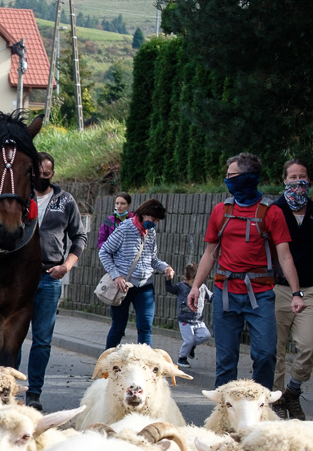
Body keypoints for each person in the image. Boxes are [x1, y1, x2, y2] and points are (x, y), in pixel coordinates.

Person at [188, 153, 304, 389]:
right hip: (225, 292)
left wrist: (296, 292)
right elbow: (210, 252)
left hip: (260, 295)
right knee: (226, 359)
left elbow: (284, 255)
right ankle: (224, 413)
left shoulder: (272, 212)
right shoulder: (220, 210)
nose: (227, 180)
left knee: (265, 355)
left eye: (231, 176)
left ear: (247, 178)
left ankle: (260, 409)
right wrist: (196, 286)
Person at [24, 152, 86, 411]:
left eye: (47, 173)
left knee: (42, 340)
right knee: (11, 336)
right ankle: (7, 387)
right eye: (38, 173)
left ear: (53, 174)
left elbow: (79, 237)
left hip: (50, 277)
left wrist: (66, 266)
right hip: (19, 277)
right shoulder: (20, 196)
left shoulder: (66, 201)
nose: (42, 177)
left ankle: (34, 393)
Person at [269, 159, 313, 420]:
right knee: (275, 352)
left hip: (307, 289)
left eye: (302, 176)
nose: (297, 181)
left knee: (310, 345)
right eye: (292, 177)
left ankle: (292, 391)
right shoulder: (274, 210)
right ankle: (276, 403)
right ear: (284, 180)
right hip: (276, 289)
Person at [99, 198, 175, 349]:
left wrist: (165, 267)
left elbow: (152, 259)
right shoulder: (125, 228)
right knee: (119, 327)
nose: (154, 223)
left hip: (145, 286)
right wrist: (116, 275)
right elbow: (104, 252)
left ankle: (144, 365)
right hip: (123, 286)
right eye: (153, 219)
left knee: (145, 326)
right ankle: (107, 362)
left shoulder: (151, 232)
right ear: (144, 214)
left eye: (157, 221)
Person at [165, 263, 212, 368]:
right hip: (185, 321)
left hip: (199, 321)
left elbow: (211, 297)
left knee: (206, 335)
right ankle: (182, 358)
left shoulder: (203, 287)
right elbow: (170, 289)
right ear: (186, 280)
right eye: (193, 282)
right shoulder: (181, 287)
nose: (197, 285)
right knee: (189, 340)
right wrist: (168, 280)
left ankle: (191, 347)